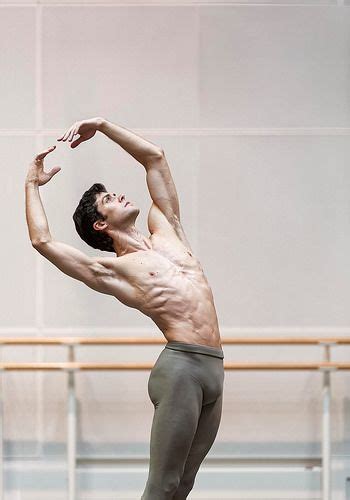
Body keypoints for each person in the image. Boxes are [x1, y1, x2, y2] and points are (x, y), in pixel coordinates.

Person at [24, 117, 225, 500]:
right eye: (109, 200)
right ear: (100, 225)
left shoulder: (167, 230)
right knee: (162, 484)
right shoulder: (114, 271)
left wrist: (101, 125)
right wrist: (32, 184)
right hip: (181, 369)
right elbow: (43, 241)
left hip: (214, 365)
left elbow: (155, 158)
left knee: (184, 484)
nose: (119, 196)